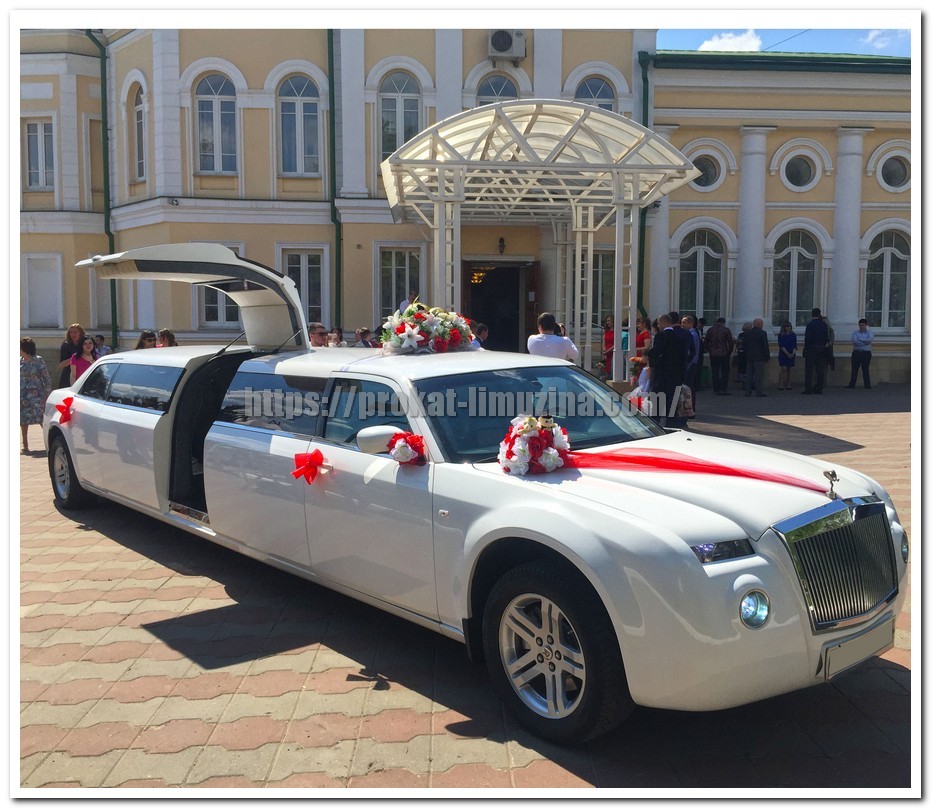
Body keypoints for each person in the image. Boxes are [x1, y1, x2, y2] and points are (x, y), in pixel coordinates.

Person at [648, 313, 687, 428]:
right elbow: (684, 358)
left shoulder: (661, 336)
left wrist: (649, 353)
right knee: (672, 405)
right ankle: (672, 426)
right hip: (675, 376)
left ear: (664, 322)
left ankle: (655, 426)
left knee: (657, 405)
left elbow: (655, 353)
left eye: (659, 323)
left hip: (661, 375)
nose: (658, 326)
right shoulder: (680, 337)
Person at [20, 337, 51, 454]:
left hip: (37, 394)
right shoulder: (19, 361)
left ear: (25, 348)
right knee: (23, 419)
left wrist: (48, 393)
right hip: (22, 395)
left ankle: (50, 443)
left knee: (41, 418)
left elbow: (46, 378)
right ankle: (25, 445)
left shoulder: (38, 360)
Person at [802, 307, 829, 395]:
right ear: (819, 314)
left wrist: (805, 349)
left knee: (809, 370)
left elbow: (808, 339)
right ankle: (819, 388)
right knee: (820, 370)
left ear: (812, 315)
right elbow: (826, 337)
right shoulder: (824, 325)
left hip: (811, 348)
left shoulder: (810, 325)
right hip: (821, 348)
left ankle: (808, 388)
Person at [704, 317, 734, 395]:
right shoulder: (726, 330)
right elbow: (730, 343)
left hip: (713, 354)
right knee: (725, 372)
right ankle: (723, 389)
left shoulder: (710, 330)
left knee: (715, 371)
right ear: (723, 323)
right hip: (723, 353)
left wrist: (709, 350)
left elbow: (706, 341)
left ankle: (716, 389)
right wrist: (729, 352)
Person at [743, 318, 770, 397]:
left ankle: (748, 392)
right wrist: (767, 357)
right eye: (762, 324)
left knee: (749, 375)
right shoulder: (762, 333)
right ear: (759, 324)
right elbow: (765, 346)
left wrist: (746, 354)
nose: (762, 325)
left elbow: (744, 345)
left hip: (749, 357)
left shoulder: (748, 333)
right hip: (759, 357)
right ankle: (759, 391)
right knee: (759, 375)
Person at [681, 315, 701, 409]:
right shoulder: (689, 333)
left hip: (691, 363)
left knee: (689, 386)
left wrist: (688, 363)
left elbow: (693, 350)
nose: (682, 325)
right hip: (690, 362)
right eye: (682, 322)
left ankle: (690, 407)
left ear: (691, 323)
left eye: (684, 323)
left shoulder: (692, 334)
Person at [847, 318, 874, 389]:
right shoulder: (855, 333)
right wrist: (864, 342)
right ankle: (852, 384)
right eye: (860, 325)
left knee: (865, 369)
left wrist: (860, 340)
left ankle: (867, 385)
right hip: (856, 353)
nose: (861, 327)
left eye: (863, 325)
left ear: (866, 325)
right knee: (854, 369)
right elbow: (854, 341)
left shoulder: (870, 333)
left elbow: (869, 340)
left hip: (866, 353)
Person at [58, 323, 86, 388]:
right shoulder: (66, 345)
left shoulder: (85, 343)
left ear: (80, 333)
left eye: (75, 332)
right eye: (71, 332)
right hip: (68, 375)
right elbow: (62, 364)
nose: (73, 334)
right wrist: (75, 357)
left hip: (83, 374)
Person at [776, 322, 798, 390]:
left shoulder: (793, 335)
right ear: (784, 327)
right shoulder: (781, 335)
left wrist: (793, 353)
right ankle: (781, 384)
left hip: (792, 353)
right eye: (786, 326)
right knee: (783, 368)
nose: (788, 328)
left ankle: (788, 384)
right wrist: (787, 354)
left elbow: (794, 345)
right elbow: (781, 345)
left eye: (789, 326)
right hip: (783, 353)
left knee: (789, 369)